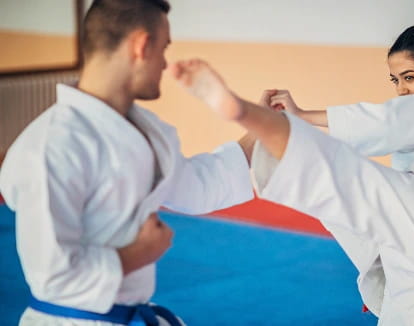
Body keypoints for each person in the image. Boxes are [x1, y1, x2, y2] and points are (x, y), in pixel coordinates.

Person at [172, 13, 414, 326]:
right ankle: (274, 132)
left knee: (345, 179)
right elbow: (390, 123)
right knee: (342, 208)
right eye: (396, 80)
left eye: (410, 77)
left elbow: (388, 121)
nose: (401, 89)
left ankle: (264, 124)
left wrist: (302, 116)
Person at [0, 0, 255, 325]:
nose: (164, 64)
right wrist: (138, 254)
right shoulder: (52, 146)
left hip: (130, 312)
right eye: (163, 49)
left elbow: (194, 187)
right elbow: (52, 275)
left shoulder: (147, 128)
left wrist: (259, 133)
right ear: (141, 45)